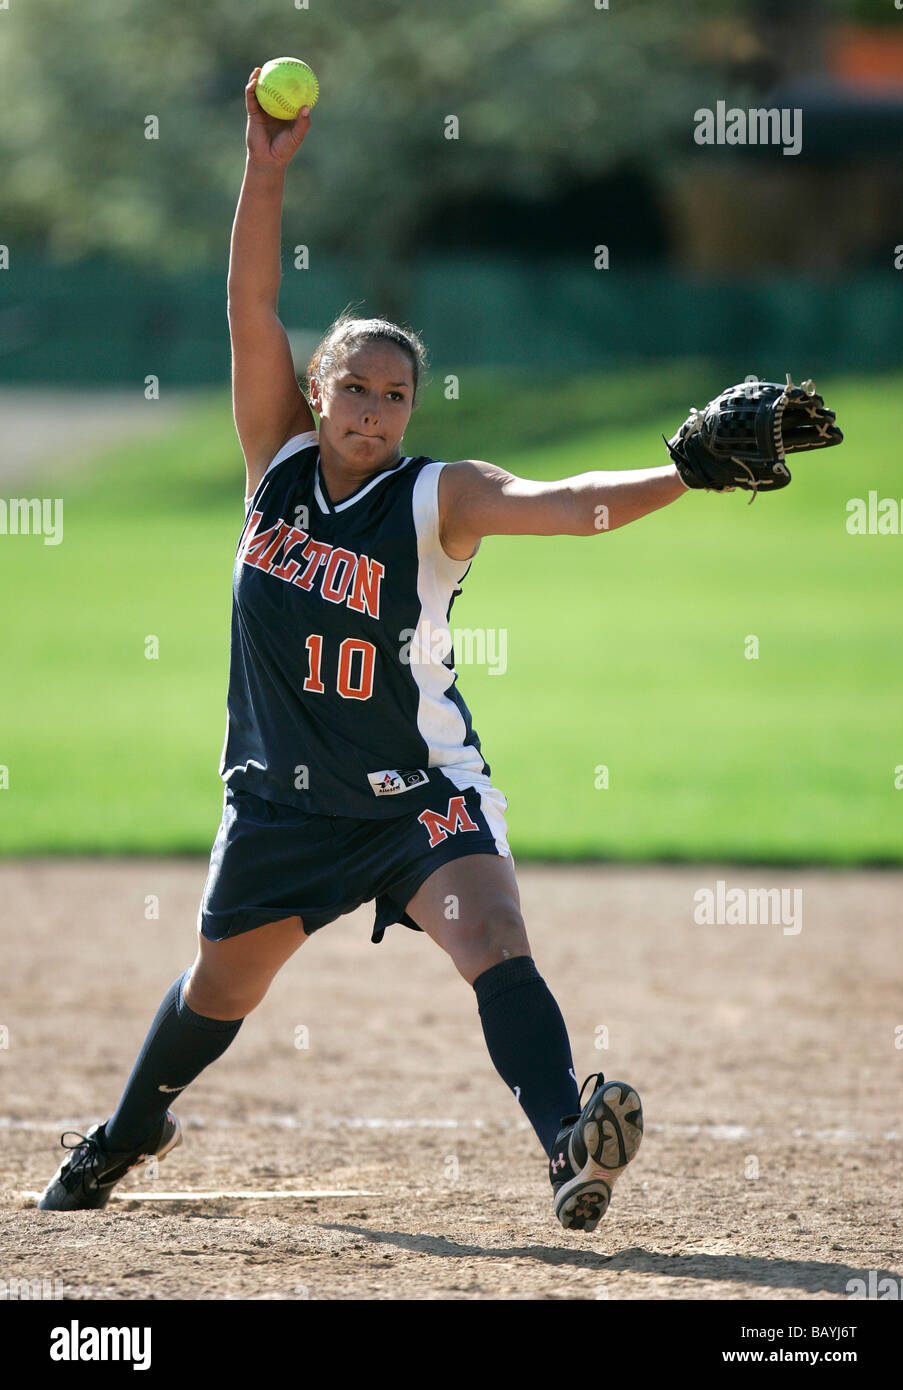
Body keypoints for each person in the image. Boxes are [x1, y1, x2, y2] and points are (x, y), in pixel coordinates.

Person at [38, 66, 690, 1232]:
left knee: (492, 935)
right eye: (354, 386)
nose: (374, 410)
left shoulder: (440, 496)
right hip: (285, 806)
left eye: (395, 394)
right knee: (219, 987)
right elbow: (247, 306)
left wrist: (682, 472)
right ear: (318, 389)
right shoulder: (274, 465)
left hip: (416, 792)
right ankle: (131, 1127)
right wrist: (264, 169)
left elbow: (569, 500)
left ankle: (565, 1145)